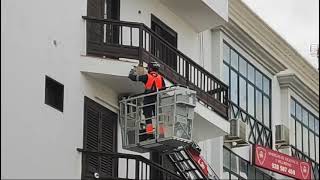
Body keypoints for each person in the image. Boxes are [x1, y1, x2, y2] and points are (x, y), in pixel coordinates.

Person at [128, 61, 166, 140]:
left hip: (148, 99)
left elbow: (134, 78)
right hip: (157, 99)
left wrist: (131, 73)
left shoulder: (147, 76)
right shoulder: (161, 78)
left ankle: (150, 135)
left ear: (150, 68)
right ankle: (162, 134)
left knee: (148, 118)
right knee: (159, 118)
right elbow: (164, 89)